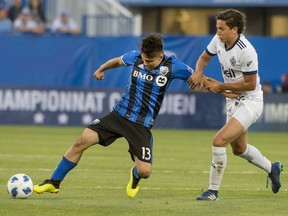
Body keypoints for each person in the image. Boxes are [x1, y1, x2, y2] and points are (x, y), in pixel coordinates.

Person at [33, 33, 197, 198]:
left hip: (140, 125)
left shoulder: (174, 66)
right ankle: (53, 182)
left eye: (150, 61)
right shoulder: (135, 57)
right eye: (144, 60)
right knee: (80, 142)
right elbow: (117, 61)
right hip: (118, 116)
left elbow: (197, 78)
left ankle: (135, 175)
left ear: (161, 56)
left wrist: (212, 85)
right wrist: (101, 69)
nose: (146, 64)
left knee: (145, 171)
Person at [188, 9, 283, 201]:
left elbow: (250, 84)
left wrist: (220, 86)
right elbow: (204, 58)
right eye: (217, 28)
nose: (218, 32)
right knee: (239, 149)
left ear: (235, 29)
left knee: (219, 140)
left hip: (250, 101)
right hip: (233, 100)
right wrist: (198, 72)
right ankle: (272, 167)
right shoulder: (218, 40)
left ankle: (212, 191)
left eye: (221, 29)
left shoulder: (246, 50)